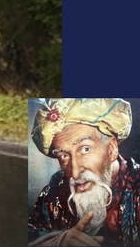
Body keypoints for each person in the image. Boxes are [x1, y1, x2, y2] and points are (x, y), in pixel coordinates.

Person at [29, 99, 140, 246]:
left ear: (112, 149)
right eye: (64, 156)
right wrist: (53, 243)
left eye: (85, 149)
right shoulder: (53, 194)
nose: (75, 173)